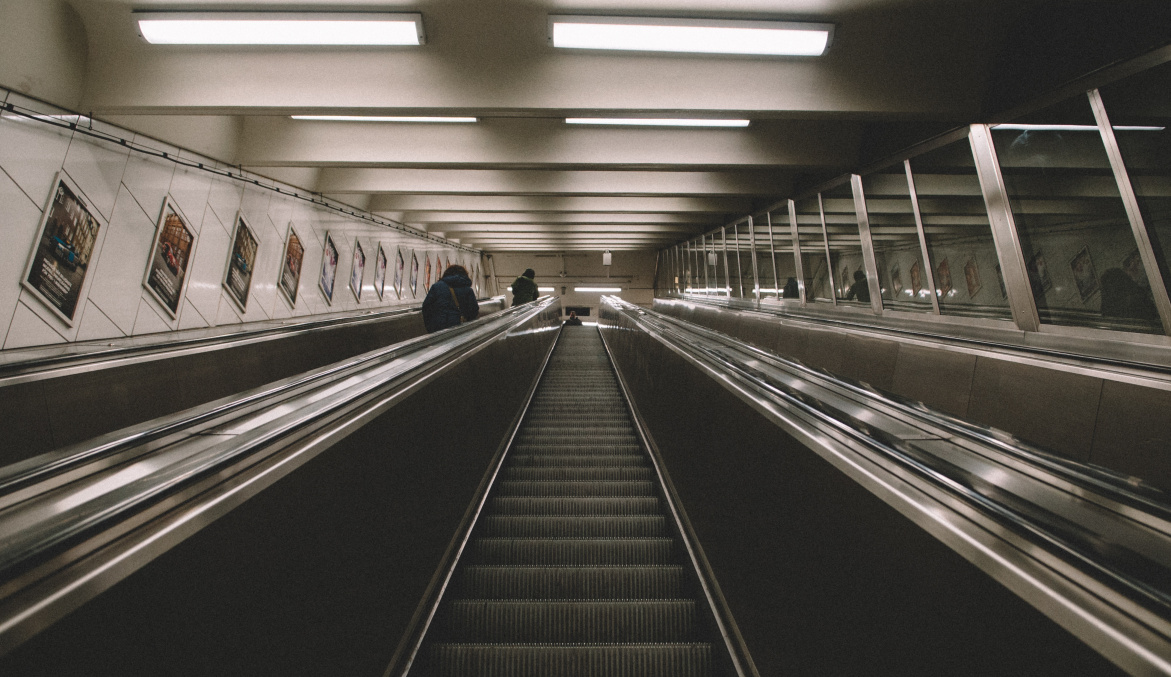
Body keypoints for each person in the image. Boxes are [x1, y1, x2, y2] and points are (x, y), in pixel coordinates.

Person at [422, 264, 479, 332]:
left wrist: (430, 326)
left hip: (437, 328)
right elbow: (473, 311)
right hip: (458, 328)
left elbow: (426, 307)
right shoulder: (468, 290)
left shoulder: (436, 287)